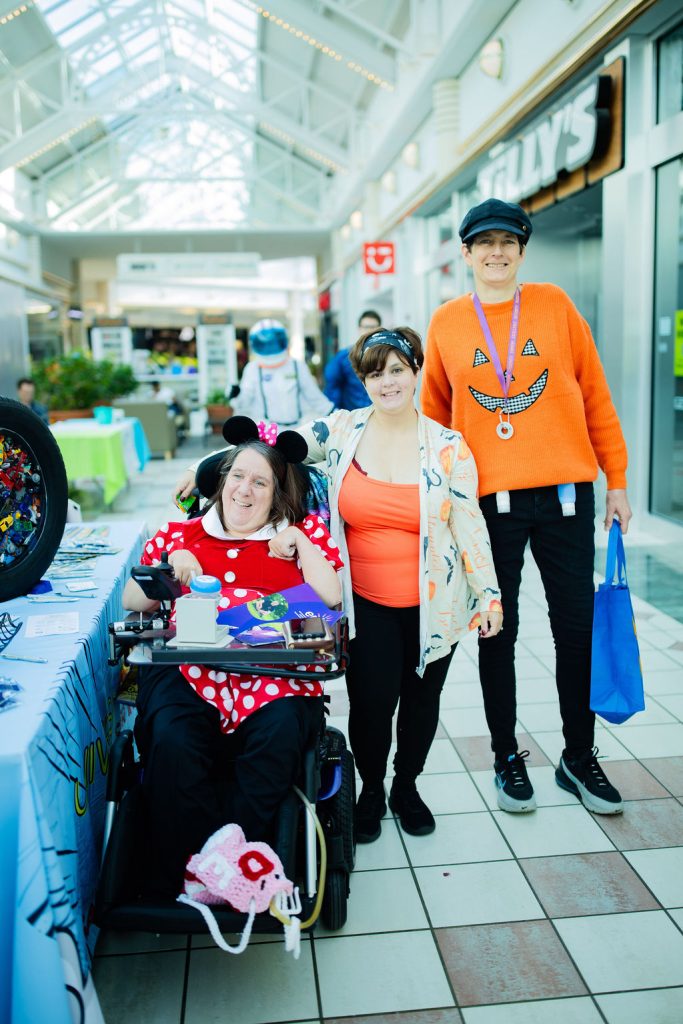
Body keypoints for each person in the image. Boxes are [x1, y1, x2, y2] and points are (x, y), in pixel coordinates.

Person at [175, 328, 502, 844]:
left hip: (435, 605)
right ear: (363, 382)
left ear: (415, 371)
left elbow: (470, 524)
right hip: (364, 600)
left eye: (397, 370)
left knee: (421, 703)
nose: (387, 383)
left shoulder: (448, 447)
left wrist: (489, 594)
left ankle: (407, 787)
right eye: (375, 374)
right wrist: (206, 467)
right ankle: (371, 789)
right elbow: (275, 445)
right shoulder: (343, 429)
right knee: (372, 705)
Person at [421, 197, 632, 816]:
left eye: (508, 242)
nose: (497, 252)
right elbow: (433, 416)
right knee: (498, 630)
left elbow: (595, 393)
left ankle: (578, 755)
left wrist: (616, 480)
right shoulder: (447, 322)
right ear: (466, 254)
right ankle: (505, 756)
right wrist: (432, 498)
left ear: (521, 251)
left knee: (575, 629)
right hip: (489, 502)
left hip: (567, 496)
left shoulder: (555, 305)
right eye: (484, 243)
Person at [123, 417, 343, 896]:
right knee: (171, 735)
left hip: (273, 674)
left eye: (260, 482)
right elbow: (131, 600)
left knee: (279, 734)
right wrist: (169, 569)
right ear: (221, 482)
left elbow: (330, 597)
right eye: (237, 476)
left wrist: (301, 543)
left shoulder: (301, 535)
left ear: (277, 494)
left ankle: (239, 863)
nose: (245, 490)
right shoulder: (180, 534)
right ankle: (192, 864)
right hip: (191, 669)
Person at [230, 319, 333, 427]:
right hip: (266, 430)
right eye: (264, 344)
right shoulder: (253, 369)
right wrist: (236, 395)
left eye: (273, 343)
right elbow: (243, 402)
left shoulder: (297, 366)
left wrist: (333, 413)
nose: (270, 348)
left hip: (297, 428)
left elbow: (314, 396)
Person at [323, 310, 381, 410]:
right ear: (359, 329)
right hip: (354, 415)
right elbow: (332, 385)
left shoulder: (386, 356)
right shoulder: (345, 357)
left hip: (381, 414)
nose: (370, 331)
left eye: (373, 327)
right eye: (366, 327)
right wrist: (335, 412)